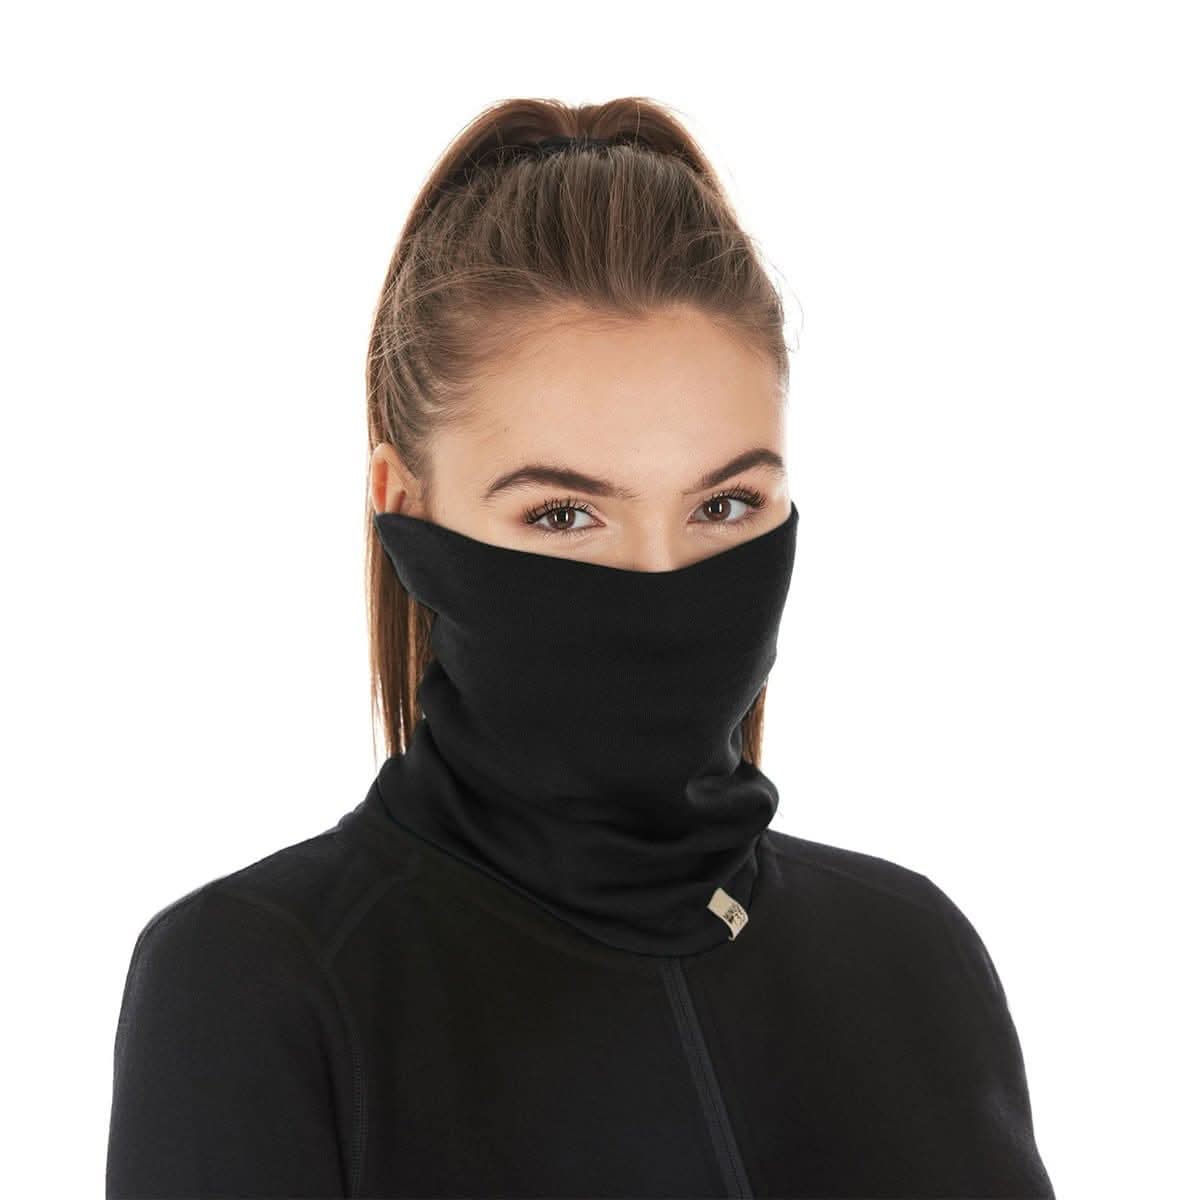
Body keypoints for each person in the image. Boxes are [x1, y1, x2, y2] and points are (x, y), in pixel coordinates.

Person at [105, 96, 1056, 1199]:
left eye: (725, 506)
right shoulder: (260, 984)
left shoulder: (911, 958)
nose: (661, 582)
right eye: (565, 514)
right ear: (403, 503)